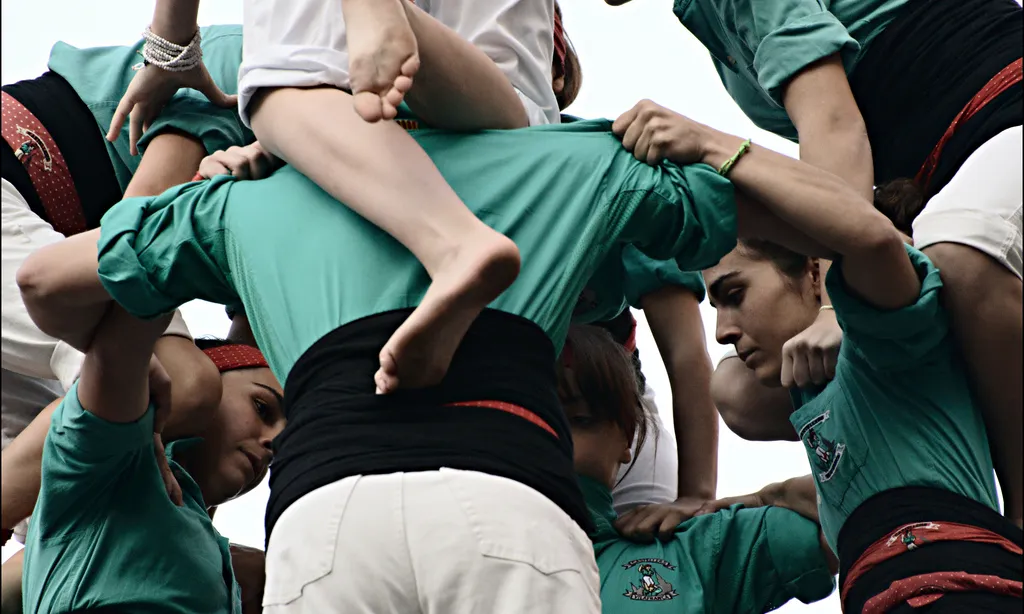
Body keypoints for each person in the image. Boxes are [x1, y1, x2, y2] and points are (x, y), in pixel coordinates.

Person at [40, 87, 886, 610]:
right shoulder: (577, 156)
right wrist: (715, 146)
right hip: (505, 483)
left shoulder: (252, 196)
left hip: (327, 509)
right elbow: (848, 228)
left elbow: (45, 286)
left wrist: (187, 216)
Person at [614, 0, 1024, 526]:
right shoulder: (707, 19)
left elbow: (832, 125)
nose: (721, 330)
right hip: (939, 184)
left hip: (1002, 119)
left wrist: (835, 306)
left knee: (963, 261)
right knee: (742, 391)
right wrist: (716, 502)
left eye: (733, 296)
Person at [110, 0, 569, 397]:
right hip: (506, 133)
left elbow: (74, 272)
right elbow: (515, 119)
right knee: (516, 103)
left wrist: (172, 47)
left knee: (282, 75)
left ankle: (455, 246)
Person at [701, 176, 1024, 610]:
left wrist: (725, 163)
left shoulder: (884, 345)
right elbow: (731, 392)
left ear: (815, 270)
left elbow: (874, 244)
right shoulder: (814, 396)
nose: (722, 332)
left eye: (735, 294)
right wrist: (757, 498)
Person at [1, 26, 254, 538]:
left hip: (50, 260)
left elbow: (263, 363)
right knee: (175, 385)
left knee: (82, 518)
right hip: (41, 203)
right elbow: (133, 236)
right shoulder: (249, 67)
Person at [13, 238, 286, 613]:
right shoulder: (109, 459)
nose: (273, 443)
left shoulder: (233, 568)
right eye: (262, 407)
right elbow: (129, 274)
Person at [559, 323, 836, 612]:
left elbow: (870, 508)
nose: (549, 436)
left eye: (579, 420)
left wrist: (769, 497)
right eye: (529, 420)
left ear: (627, 435)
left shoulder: (698, 549)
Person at [577, 248, 717, 515]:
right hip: (504, 414)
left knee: (655, 548)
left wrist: (696, 497)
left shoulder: (621, 208)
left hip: (617, 411)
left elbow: (685, 353)